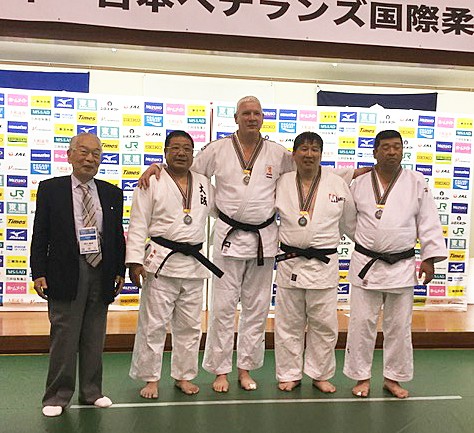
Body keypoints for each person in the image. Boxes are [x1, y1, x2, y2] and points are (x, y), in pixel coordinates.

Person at [139, 96, 357, 393]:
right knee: (222, 308)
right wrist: (156, 167)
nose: (251, 118)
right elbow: (188, 172)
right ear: (236, 118)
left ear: (262, 118)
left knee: (256, 309)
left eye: (256, 113)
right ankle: (220, 370)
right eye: (246, 113)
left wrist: (354, 173)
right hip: (228, 237)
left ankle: (245, 369)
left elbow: (309, 169)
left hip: (263, 241)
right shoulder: (217, 149)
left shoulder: (277, 153)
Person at [343, 129, 447, 399]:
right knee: (361, 324)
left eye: (397, 147)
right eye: (386, 147)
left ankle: (393, 378)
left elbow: (428, 220)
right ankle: (361, 377)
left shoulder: (416, 181)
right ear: (375, 152)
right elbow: (348, 220)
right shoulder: (359, 183)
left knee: (399, 326)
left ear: (402, 150)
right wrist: (370, 241)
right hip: (367, 263)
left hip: (402, 265)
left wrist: (429, 258)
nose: (392, 152)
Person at [30, 133, 126, 417]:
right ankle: (56, 397)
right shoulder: (51, 189)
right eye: (83, 152)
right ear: (69, 155)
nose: (89, 158)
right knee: (65, 336)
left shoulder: (111, 193)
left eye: (96, 154)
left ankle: (92, 392)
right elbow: (41, 233)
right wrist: (38, 271)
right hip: (64, 271)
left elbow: (116, 236)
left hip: (101, 270)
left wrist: (119, 270)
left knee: (95, 336)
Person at [126, 130, 220, 399]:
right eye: (175, 148)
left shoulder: (203, 183)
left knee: (190, 325)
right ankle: (151, 378)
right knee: (153, 324)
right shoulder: (151, 181)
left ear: (193, 154)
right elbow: (138, 222)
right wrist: (134, 262)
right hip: (161, 262)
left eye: (187, 149)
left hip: (193, 264)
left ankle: (184, 375)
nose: (181, 153)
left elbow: (222, 210)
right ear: (165, 151)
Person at [274, 132, 356, 393]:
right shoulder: (282, 182)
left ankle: (320, 374)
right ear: (294, 154)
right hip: (290, 261)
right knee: (288, 323)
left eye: (314, 149)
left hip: (324, 262)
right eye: (304, 149)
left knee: (324, 323)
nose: (309, 154)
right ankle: (289, 373)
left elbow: (350, 223)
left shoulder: (337, 184)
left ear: (321, 154)